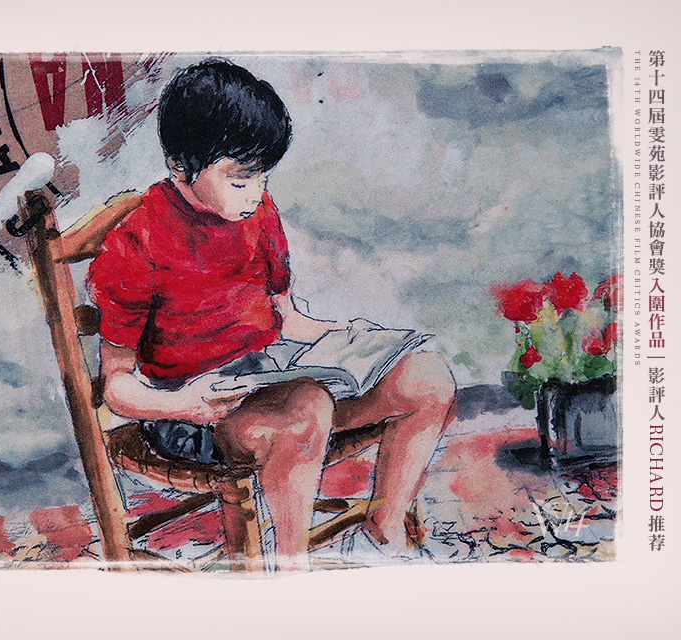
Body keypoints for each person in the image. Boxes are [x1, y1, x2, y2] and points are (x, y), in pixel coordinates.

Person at [88, 58, 456, 571]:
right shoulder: (136, 244)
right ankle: (291, 568)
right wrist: (183, 405)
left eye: (261, 176)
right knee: (307, 409)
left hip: (272, 378)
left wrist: (350, 339)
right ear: (180, 166)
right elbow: (117, 388)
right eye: (239, 179)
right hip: (195, 413)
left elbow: (286, 318)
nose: (256, 193)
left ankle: (383, 532)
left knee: (428, 379)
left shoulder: (258, 214)